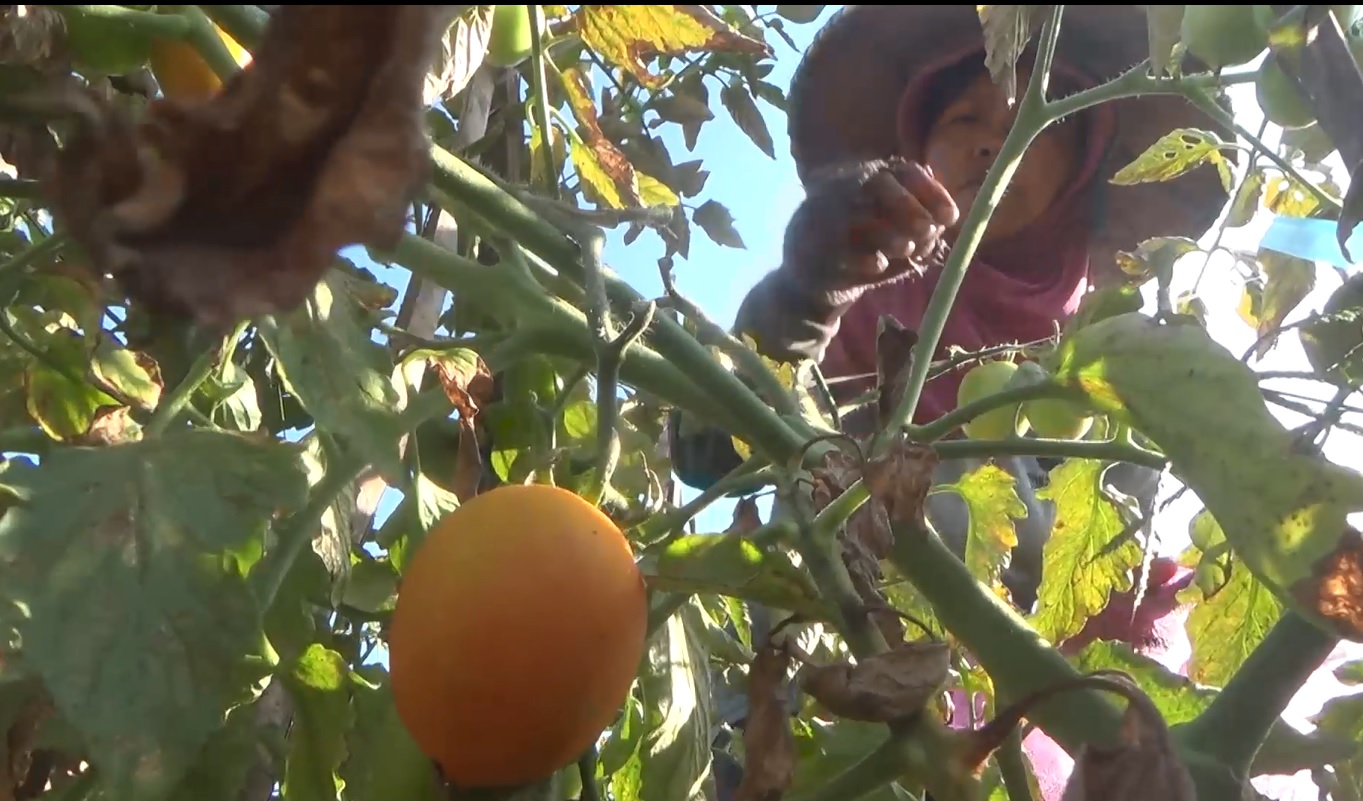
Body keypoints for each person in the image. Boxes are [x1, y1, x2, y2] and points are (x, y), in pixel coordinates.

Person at [668, 6, 1234, 801]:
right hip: (818, 674)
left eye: (1033, 126)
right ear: (914, 147)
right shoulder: (862, 288)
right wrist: (806, 288)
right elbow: (701, 447)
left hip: (1012, 723)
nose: (987, 139)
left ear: (1081, 168)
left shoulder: (1107, 359)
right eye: (962, 117)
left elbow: (1112, 576)